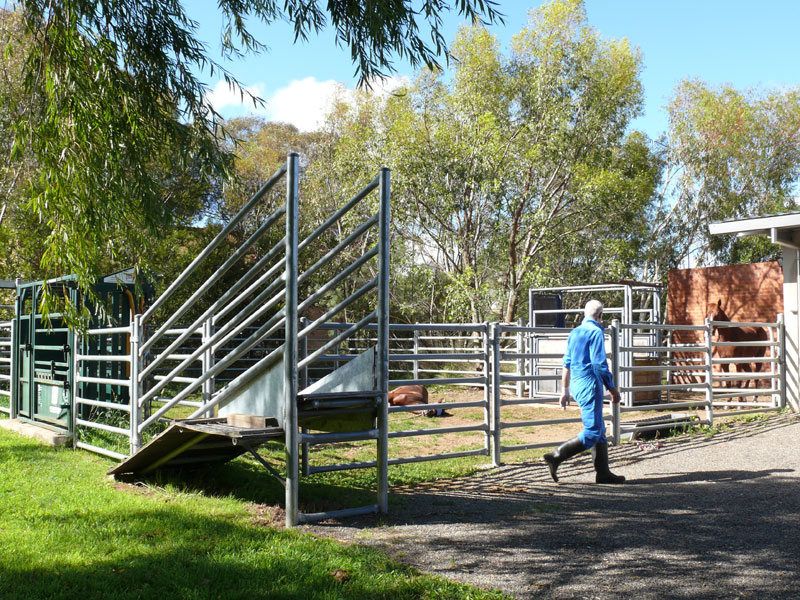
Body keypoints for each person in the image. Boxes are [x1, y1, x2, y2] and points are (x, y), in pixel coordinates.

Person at [543, 299, 625, 484]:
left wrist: (564, 390)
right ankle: (556, 456)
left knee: (600, 429)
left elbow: (567, 363)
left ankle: (603, 473)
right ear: (600, 315)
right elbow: (598, 364)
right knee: (593, 430)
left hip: (577, 384)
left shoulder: (575, 332)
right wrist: (611, 387)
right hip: (590, 383)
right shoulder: (596, 332)